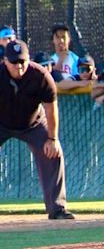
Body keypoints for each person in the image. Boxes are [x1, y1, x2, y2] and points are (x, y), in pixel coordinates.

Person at [0, 40, 75, 220]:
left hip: (33, 124)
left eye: (22, 61)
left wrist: (53, 138)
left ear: (29, 59)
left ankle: (57, 208)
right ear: (5, 61)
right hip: (1, 123)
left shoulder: (40, 76)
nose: (19, 66)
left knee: (53, 153)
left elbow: (51, 109)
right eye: (14, 62)